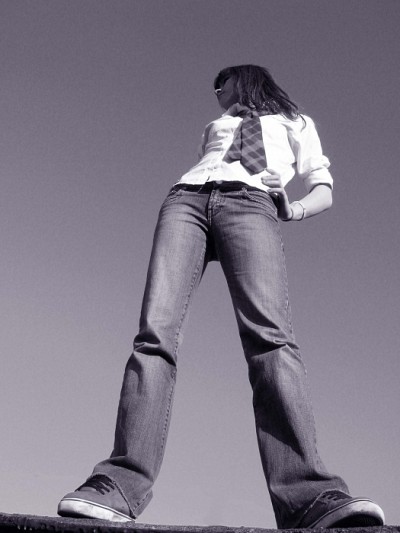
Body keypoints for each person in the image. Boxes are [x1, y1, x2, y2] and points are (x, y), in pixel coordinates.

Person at [58, 65, 385, 528]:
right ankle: (119, 484)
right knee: (154, 336)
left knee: (271, 340)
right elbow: (211, 161)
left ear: (244, 79)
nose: (215, 91)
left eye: (221, 83)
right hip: (186, 200)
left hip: (252, 203)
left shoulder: (295, 122)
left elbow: (323, 189)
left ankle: (309, 495)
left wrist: (291, 209)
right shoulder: (216, 126)